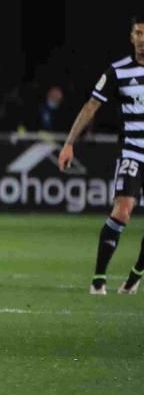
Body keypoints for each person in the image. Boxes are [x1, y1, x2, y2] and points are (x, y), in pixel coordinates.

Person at [58, 17, 144, 296]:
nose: (142, 39)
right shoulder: (118, 71)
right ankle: (98, 279)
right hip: (133, 151)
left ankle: (134, 278)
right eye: (138, 33)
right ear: (131, 36)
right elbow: (91, 106)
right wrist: (69, 143)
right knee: (122, 210)